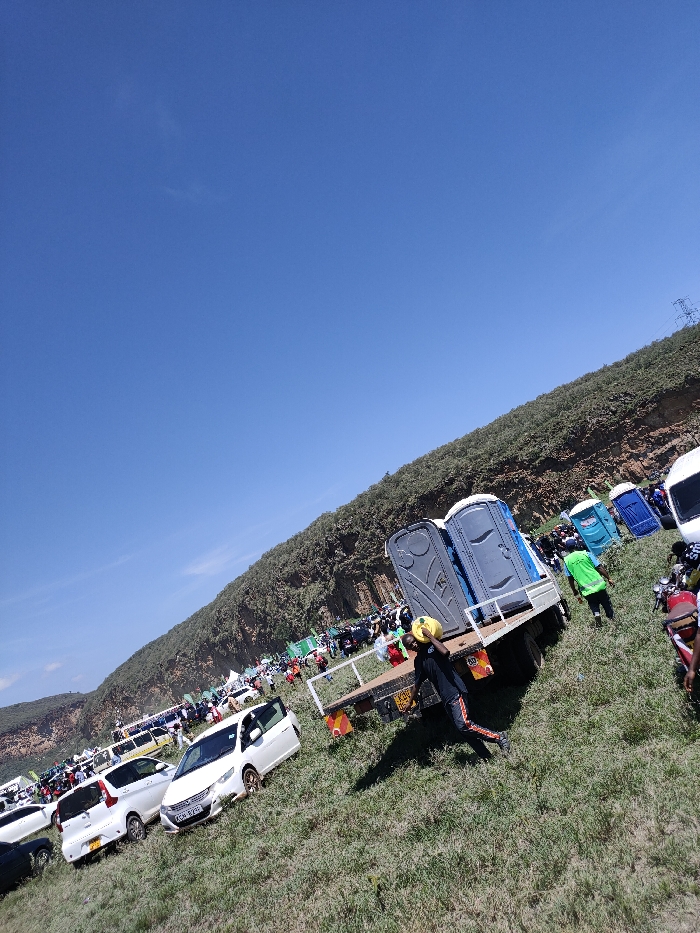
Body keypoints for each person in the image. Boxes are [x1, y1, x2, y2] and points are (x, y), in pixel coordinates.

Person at [403, 626, 509, 759]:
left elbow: (445, 652)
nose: (413, 645)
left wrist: (430, 636)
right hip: (445, 697)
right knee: (462, 730)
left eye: (413, 641)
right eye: (410, 645)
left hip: (455, 690)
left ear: (417, 638)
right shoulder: (419, 660)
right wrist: (410, 702)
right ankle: (485, 756)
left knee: (463, 724)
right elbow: (417, 683)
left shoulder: (433, 646)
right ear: (408, 648)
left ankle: (498, 737)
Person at [562, 538, 616, 623]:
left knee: (593, 603)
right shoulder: (586, 553)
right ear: (576, 545)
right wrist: (609, 578)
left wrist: (574, 590)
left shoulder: (567, 561)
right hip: (599, 584)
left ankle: (596, 614)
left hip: (586, 588)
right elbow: (599, 567)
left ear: (567, 549)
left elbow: (570, 578)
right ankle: (612, 618)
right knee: (606, 602)